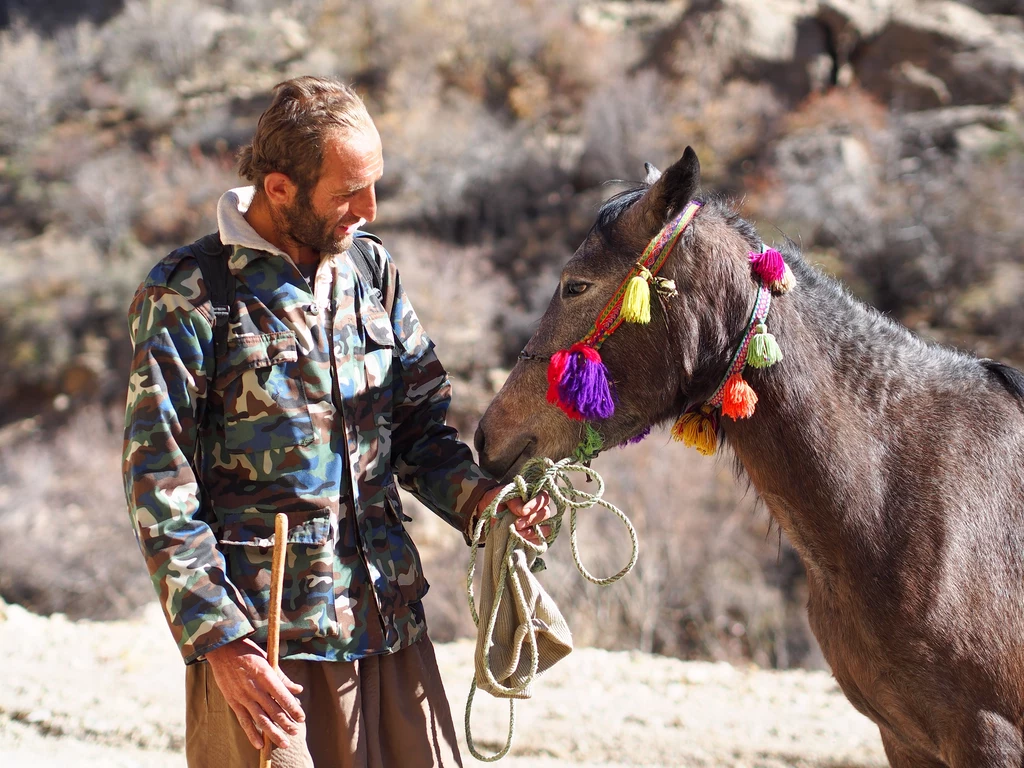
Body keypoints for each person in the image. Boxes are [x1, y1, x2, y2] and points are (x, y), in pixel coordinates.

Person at [122, 75, 553, 768]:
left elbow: (418, 433)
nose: (370, 208)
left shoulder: (370, 272)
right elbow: (158, 486)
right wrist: (222, 645)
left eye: (374, 184)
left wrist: (487, 504)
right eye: (348, 191)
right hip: (269, 651)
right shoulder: (193, 293)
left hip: (389, 626)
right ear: (280, 188)